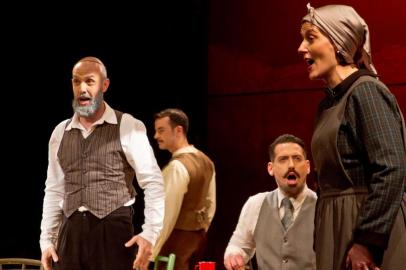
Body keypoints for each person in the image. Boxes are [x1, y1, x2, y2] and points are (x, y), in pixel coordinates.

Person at [298, 4, 406, 270]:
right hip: (337, 224)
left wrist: (367, 241)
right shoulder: (328, 104)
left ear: (338, 43)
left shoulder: (366, 92)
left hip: (365, 228)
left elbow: (391, 167)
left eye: (311, 38)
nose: (301, 48)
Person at [39, 56, 165, 270]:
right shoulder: (60, 132)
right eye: (77, 82)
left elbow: (153, 182)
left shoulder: (127, 125)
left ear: (104, 85)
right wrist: (47, 240)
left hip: (112, 232)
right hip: (70, 232)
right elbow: (54, 190)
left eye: (90, 81)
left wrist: (150, 233)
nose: (82, 88)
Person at [224, 134, 317, 270]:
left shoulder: (322, 207)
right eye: (283, 159)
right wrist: (234, 256)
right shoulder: (255, 204)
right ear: (270, 168)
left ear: (307, 166)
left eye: (297, 158)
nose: (291, 165)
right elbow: (238, 245)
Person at [152, 108, 216, 270]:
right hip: (197, 239)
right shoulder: (207, 161)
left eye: (161, 131)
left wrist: (152, 251)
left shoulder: (176, 167)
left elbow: (167, 214)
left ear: (178, 130)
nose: (156, 136)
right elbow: (210, 205)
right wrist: (199, 231)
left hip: (175, 242)